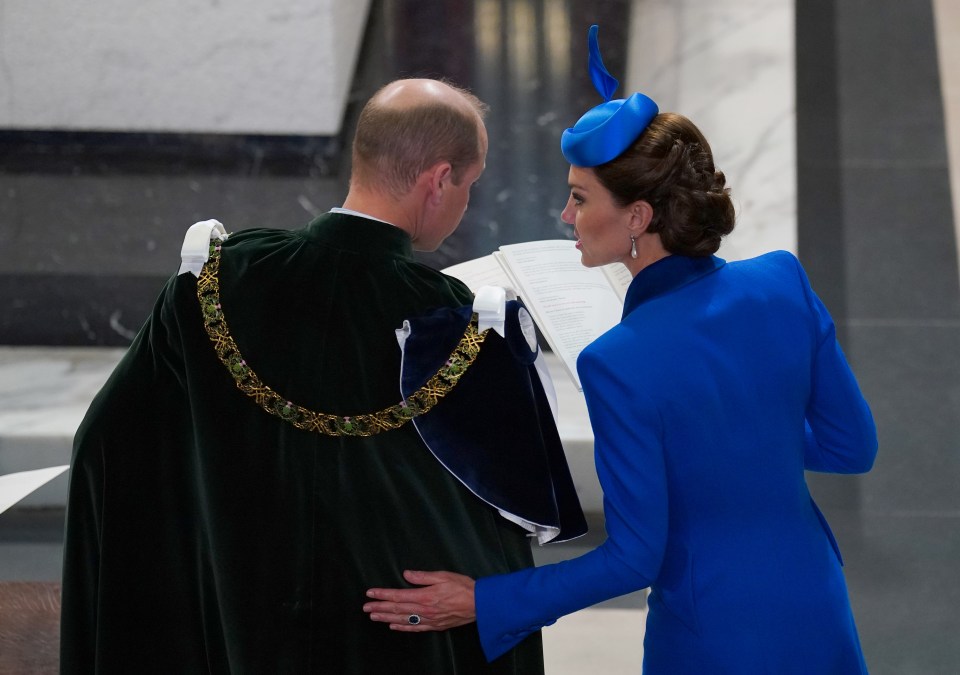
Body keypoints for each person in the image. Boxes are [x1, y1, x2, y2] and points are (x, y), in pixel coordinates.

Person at [362, 27, 879, 674]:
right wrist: (742, 434)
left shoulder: (619, 362)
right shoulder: (782, 280)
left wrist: (485, 599)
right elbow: (852, 445)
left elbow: (635, 555)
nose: (564, 215)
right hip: (816, 606)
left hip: (709, 638)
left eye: (579, 198)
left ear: (637, 216)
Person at [59, 77, 586, 674]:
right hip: (396, 635)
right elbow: (499, 529)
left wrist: (195, 558)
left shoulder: (214, 280)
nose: (466, 199)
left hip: (242, 620)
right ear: (439, 180)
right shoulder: (462, 326)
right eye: (469, 183)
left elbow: (105, 443)